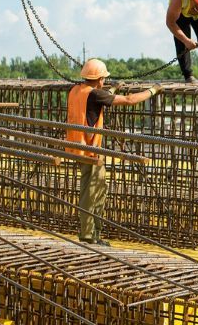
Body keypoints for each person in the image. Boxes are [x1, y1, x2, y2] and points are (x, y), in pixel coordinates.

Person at [66, 58, 159, 244]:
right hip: (90, 151)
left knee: (93, 190)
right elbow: (130, 100)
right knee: (92, 193)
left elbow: (100, 97)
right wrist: (153, 90)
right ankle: (89, 236)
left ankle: (91, 233)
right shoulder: (93, 94)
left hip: (77, 148)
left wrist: (114, 88)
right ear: (100, 79)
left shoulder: (76, 91)